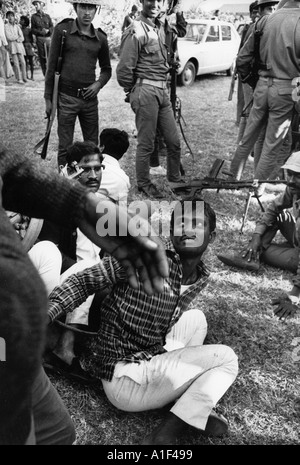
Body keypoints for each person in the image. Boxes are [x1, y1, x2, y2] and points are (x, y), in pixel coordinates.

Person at [0, 142, 169, 445]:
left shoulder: (105, 202)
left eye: (97, 168)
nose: (93, 175)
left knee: (60, 435)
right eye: (85, 169)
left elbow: (5, 166)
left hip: (19, 352)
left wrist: (81, 206)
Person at [47, 199, 239, 445]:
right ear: (171, 231)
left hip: (150, 354)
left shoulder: (201, 276)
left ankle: (184, 400)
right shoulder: (146, 255)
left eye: (197, 224)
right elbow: (83, 281)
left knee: (197, 319)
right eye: (181, 223)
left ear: (211, 236)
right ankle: (166, 433)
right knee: (226, 358)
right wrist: (46, 314)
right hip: (125, 377)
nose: (187, 229)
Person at [218, 151, 300, 320]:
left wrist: (295, 294)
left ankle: (254, 256)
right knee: (279, 215)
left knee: (269, 253)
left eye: (297, 176)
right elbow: (272, 209)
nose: (291, 180)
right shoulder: (293, 189)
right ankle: (252, 255)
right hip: (296, 240)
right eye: (290, 174)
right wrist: (256, 236)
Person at [116, 0, 185, 199]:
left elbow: (163, 57)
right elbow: (124, 69)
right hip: (145, 90)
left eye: (159, 0)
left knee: (173, 141)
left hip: (163, 91)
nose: (154, 3)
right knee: (147, 143)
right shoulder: (136, 29)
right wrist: (134, 91)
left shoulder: (162, 27)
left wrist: (172, 62)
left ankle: (174, 179)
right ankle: (144, 183)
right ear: (141, 1)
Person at [229, 0, 299, 192]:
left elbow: (242, 59)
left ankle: (232, 181)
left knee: (248, 137)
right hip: (286, 89)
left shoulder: (264, 21)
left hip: (261, 85)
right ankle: (256, 189)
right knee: (271, 145)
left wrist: (256, 82)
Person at [44, 0, 112, 167]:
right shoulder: (63, 31)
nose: (87, 12)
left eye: (91, 7)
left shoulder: (100, 38)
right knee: (65, 148)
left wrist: (98, 84)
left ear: (96, 10)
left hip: (89, 101)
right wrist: (48, 98)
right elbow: (51, 66)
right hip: (66, 98)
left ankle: (91, 182)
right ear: (75, 8)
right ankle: (64, 185)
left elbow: (107, 69)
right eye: (83, 7)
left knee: (92, 147)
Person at [149, 0, 187, 177]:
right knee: (153, 126)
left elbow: (182, 30)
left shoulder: (170, 30)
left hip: (166, 83)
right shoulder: (148, 26)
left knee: (165, 121)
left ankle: (163, 155)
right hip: (151, 83)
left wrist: (179, 12)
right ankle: (153, 163)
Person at [99, 128, 131, 207]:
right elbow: (122, 211)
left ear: (101, 147)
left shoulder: (82, 162)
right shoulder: (123, 179)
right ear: (123, 152)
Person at [31, 0, 53, 76]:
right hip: (40, 39)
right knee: (42, 57)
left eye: (36, 4)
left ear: (42, 4)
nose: (35, 6)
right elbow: (33, 29)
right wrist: (40, 32)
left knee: (50, 57)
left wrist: (48, 30)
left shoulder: (47, 16)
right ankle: (45, 75)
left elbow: (52, 27)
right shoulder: (33, 17)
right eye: (34, 5)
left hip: (48, 39)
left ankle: (51, 74)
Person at [4, 10, 27, 84]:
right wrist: (17, 37)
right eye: (8, 16)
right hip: (12, 46)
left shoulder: (17, 26)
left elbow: (22, 37)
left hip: (19, 46)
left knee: (23, 62)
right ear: (7, 18)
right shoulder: (6, 26)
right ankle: (19, 78)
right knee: (16, 63)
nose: (10, 17)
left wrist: (17, 38)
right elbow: (9, 37)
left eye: (11, 16)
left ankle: (24, 77)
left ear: (14, 17)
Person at [20, 15, 35, 81]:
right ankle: (26, 75)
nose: (20, 21)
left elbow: (32, 39)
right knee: (24, 61)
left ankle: (32, 76)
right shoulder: (19, 29)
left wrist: (32, 46)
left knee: (31, 61)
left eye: (22, 20)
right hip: (22, 45)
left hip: (28, 45)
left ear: (25, 22)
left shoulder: (29, 29)